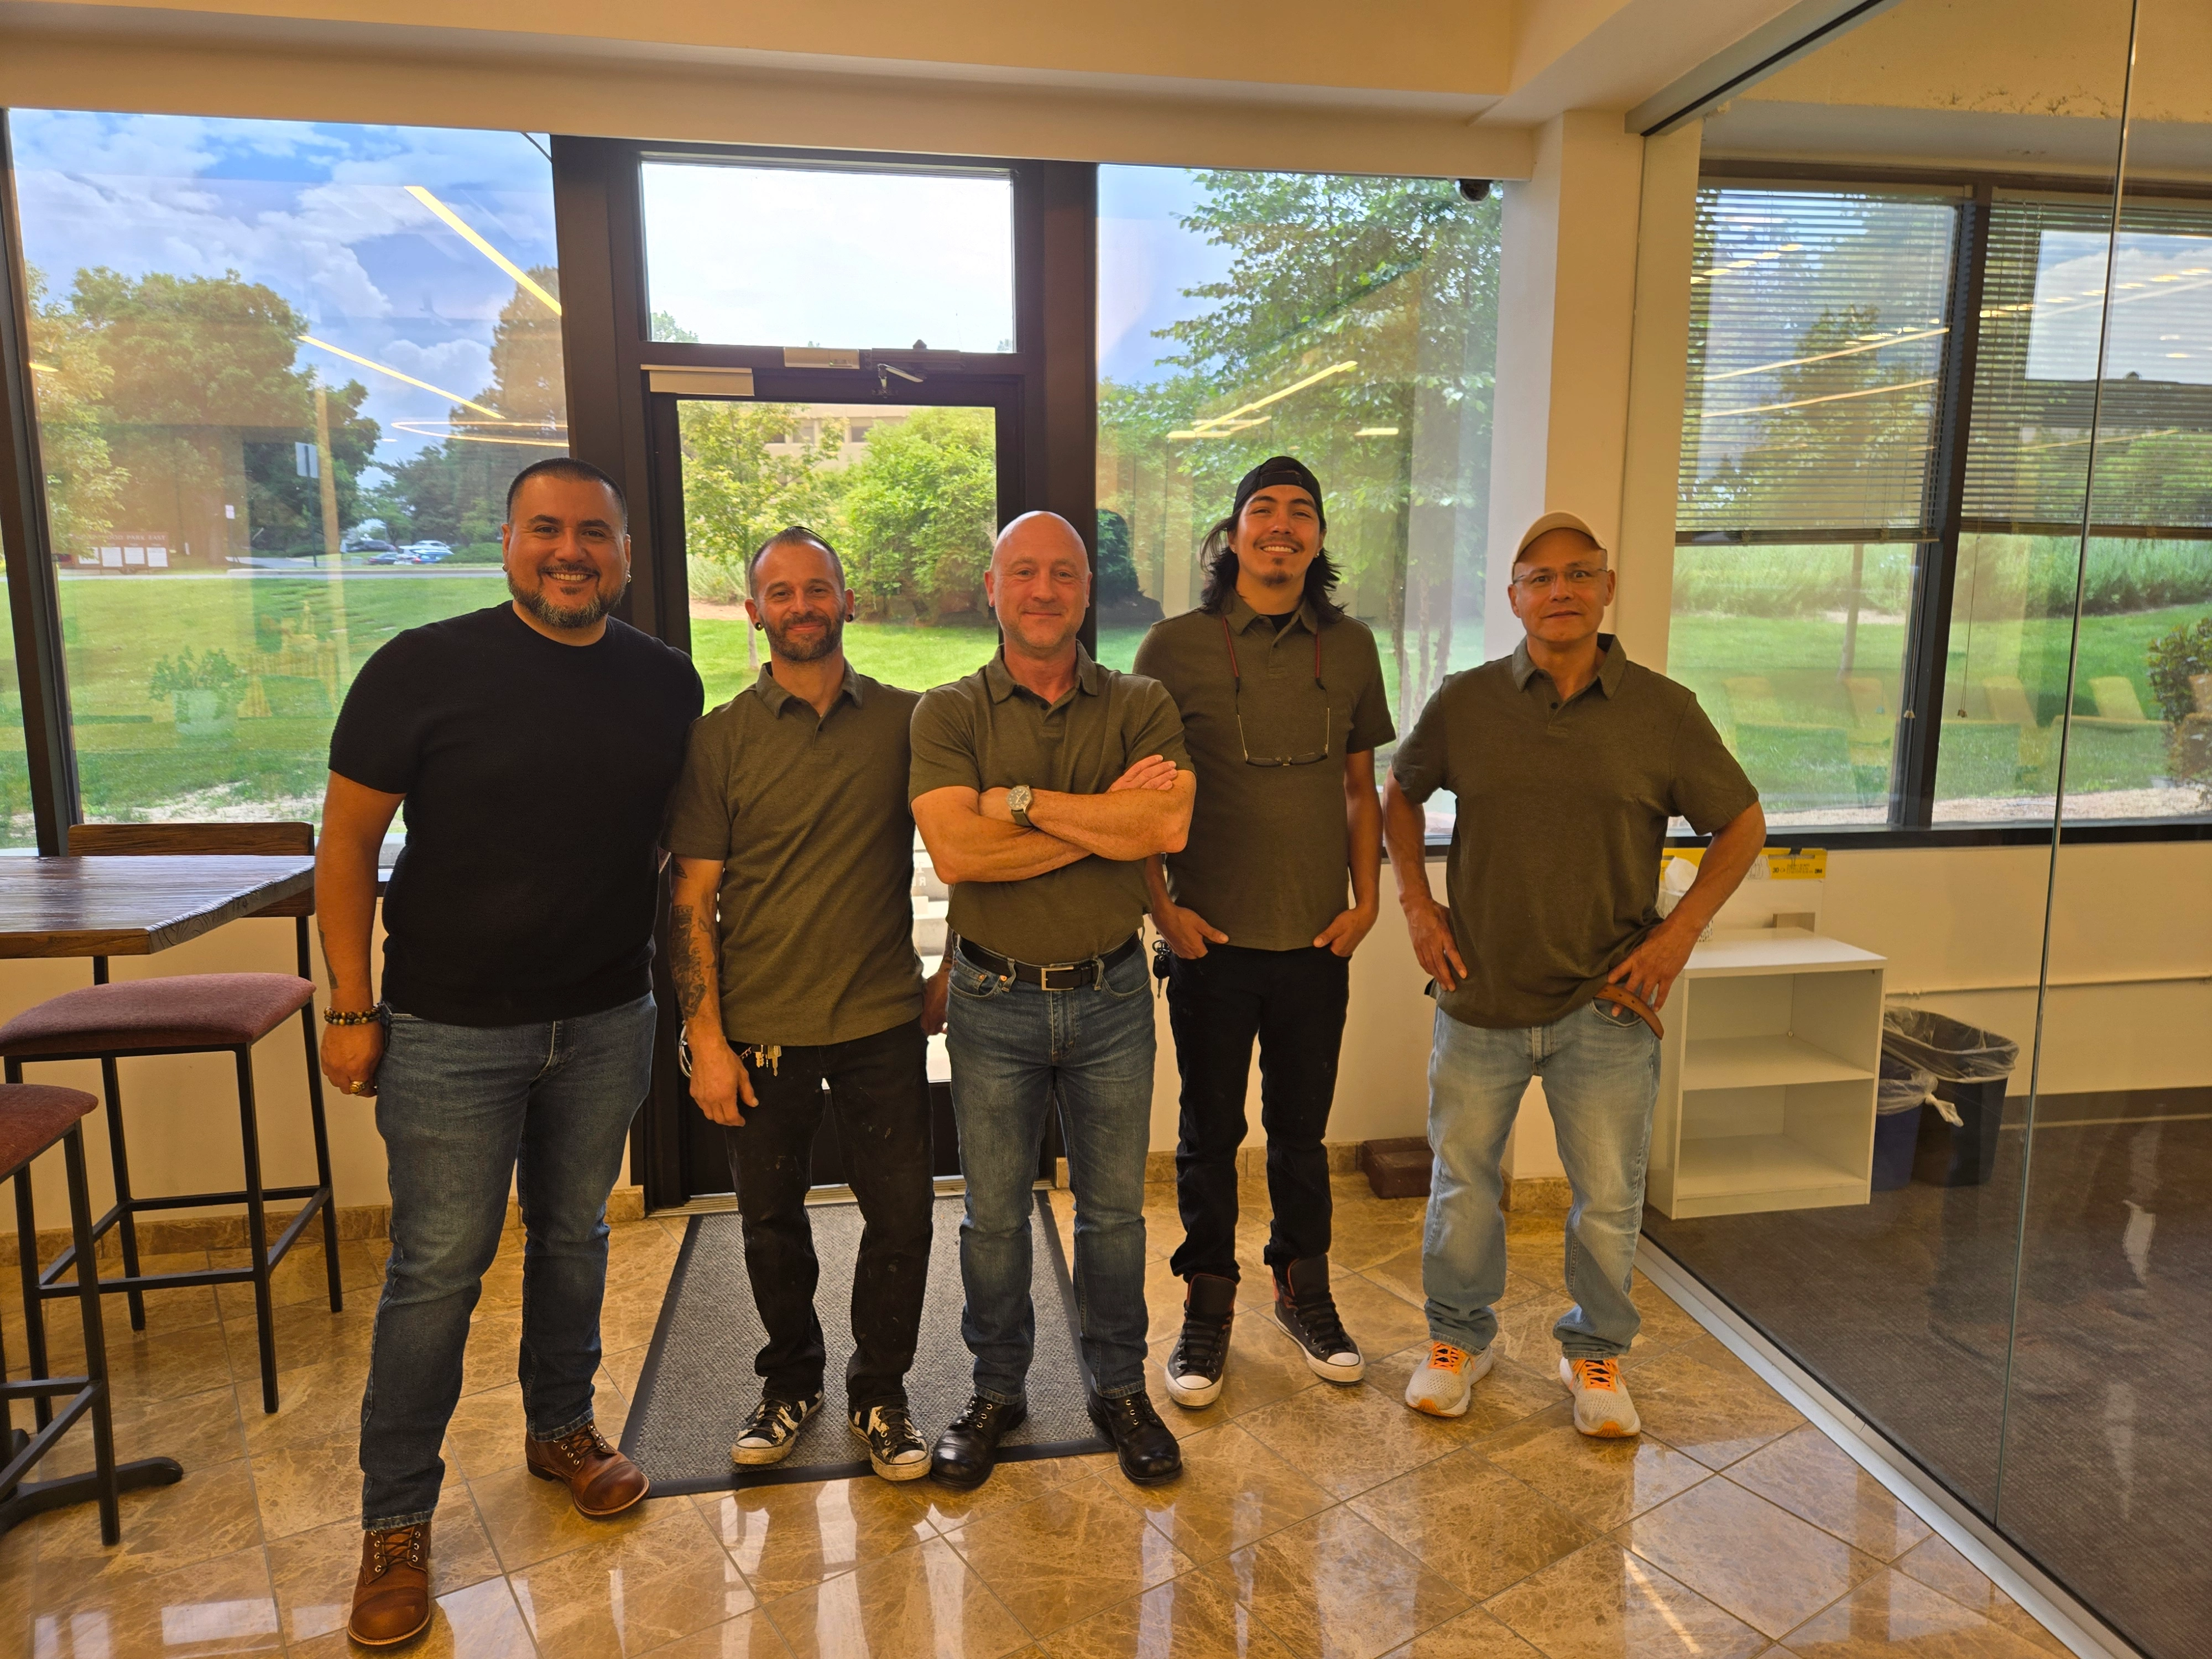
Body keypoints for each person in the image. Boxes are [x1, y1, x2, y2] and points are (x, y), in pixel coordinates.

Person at [319, 458, 703, 1647]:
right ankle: (395, 1522)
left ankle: (560, 1429)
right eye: (547, 529)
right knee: (437, 1269)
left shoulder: (666, 685)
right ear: (507, 541)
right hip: (446, 1031)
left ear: (626, 557)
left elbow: (670, 850)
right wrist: (349, 1005)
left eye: (594, 534)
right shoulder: (419, 669)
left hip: (603, 1019)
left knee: (578, 1234)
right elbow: (346, 849)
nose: (570, 551)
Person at [1381, 510, 1765, 1438]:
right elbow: (1400, 796)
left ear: (1607, 589)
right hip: (1481, 996)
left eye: (1578, 575)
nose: (1559, 592)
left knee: (1607, 1197)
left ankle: (1595, 1352)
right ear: (1514, 596)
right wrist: (1418, 909)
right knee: (1465, 1183)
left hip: (1608, 1005)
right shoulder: (1468, 702)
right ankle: (1458, 1340)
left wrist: (1676, 937)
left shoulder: (1663, 713)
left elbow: (1742, 825)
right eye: (1539, 577)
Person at [910, 510, 1195, 1489]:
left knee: (1113, 1217)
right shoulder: (947, 713)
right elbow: (957, 851)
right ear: (992, 589)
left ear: (1086, 591)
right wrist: (1106, 820)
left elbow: (1168, 821)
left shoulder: (1143, 701)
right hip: (992, 1000)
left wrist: (1020, 803)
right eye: (1022, 572)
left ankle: (1118, 1390)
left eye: (1062, 573)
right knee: (993, 1218)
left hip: (1113, 996)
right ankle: (997, 1389)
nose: (1042, 590)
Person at [665, 526, 941, 1483]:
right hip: (762, 1027)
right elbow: (691, 899)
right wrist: (703, 1036)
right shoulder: (720, 740)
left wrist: (952, 973)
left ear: (847, 601)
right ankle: (792, 1379)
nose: (800, 606)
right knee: (770, 1220)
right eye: (779, 593)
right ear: (755, 613)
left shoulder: (912, 722)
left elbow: (970, 846)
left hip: (882, 1022)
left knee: (902, 1217)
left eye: (816, 587)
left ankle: (882, 1391)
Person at [1132, 456, 1394, 1408]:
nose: (1282, 526)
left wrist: (1367, 905)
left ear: (1318, 537)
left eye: (1301, 513)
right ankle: (1209, 1306)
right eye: (1263, 511)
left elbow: (1361, 790)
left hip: (1319, 942)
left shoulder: (1353, 647)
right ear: (1232, 532)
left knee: (1300, 1130)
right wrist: (1164, 911)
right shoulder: (1175, 647)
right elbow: (1138, 798)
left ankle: (1303, 1288)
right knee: (1210, 1132)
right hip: (1211, 943)